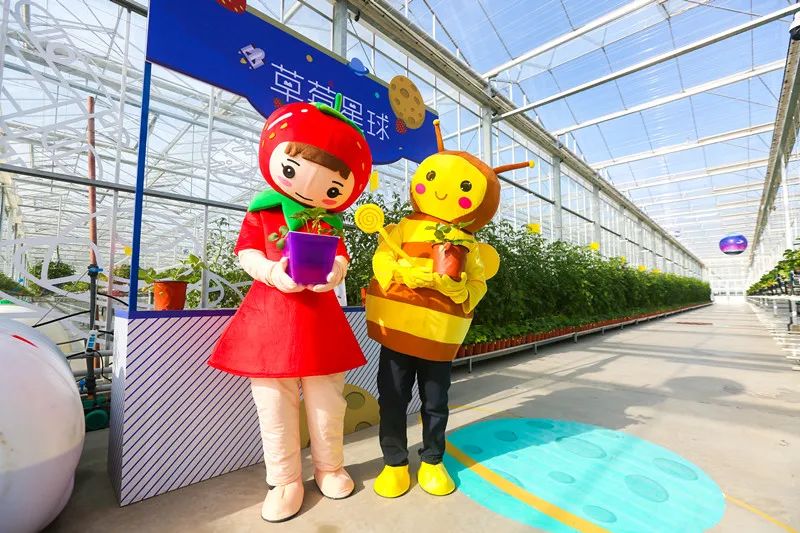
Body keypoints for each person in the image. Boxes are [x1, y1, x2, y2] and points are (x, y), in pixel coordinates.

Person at [208, 96, 372, 522]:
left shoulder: (329, 223)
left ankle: (330, 467)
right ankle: (284, 480)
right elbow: (245, 252)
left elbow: (341, 257)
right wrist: (271, 271)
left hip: (319, 318)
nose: (312, 189)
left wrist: (334, 273)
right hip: (272, 318)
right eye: (294, 169)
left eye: (333, 188)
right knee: (273, 404)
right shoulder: (262, 212)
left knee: (327, 400)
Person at [363, 120, 530, 498]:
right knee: (392, 398)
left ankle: (433, 460)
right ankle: (394, 462)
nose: (442, 189)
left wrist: (459, 288)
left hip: (439, 337)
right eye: (433, 178)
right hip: (399, 329)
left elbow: (478, 284)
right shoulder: (402, 228)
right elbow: (382, 260)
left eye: (465, 187)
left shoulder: (469, 245)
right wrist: (403, 273)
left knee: (435, 401)